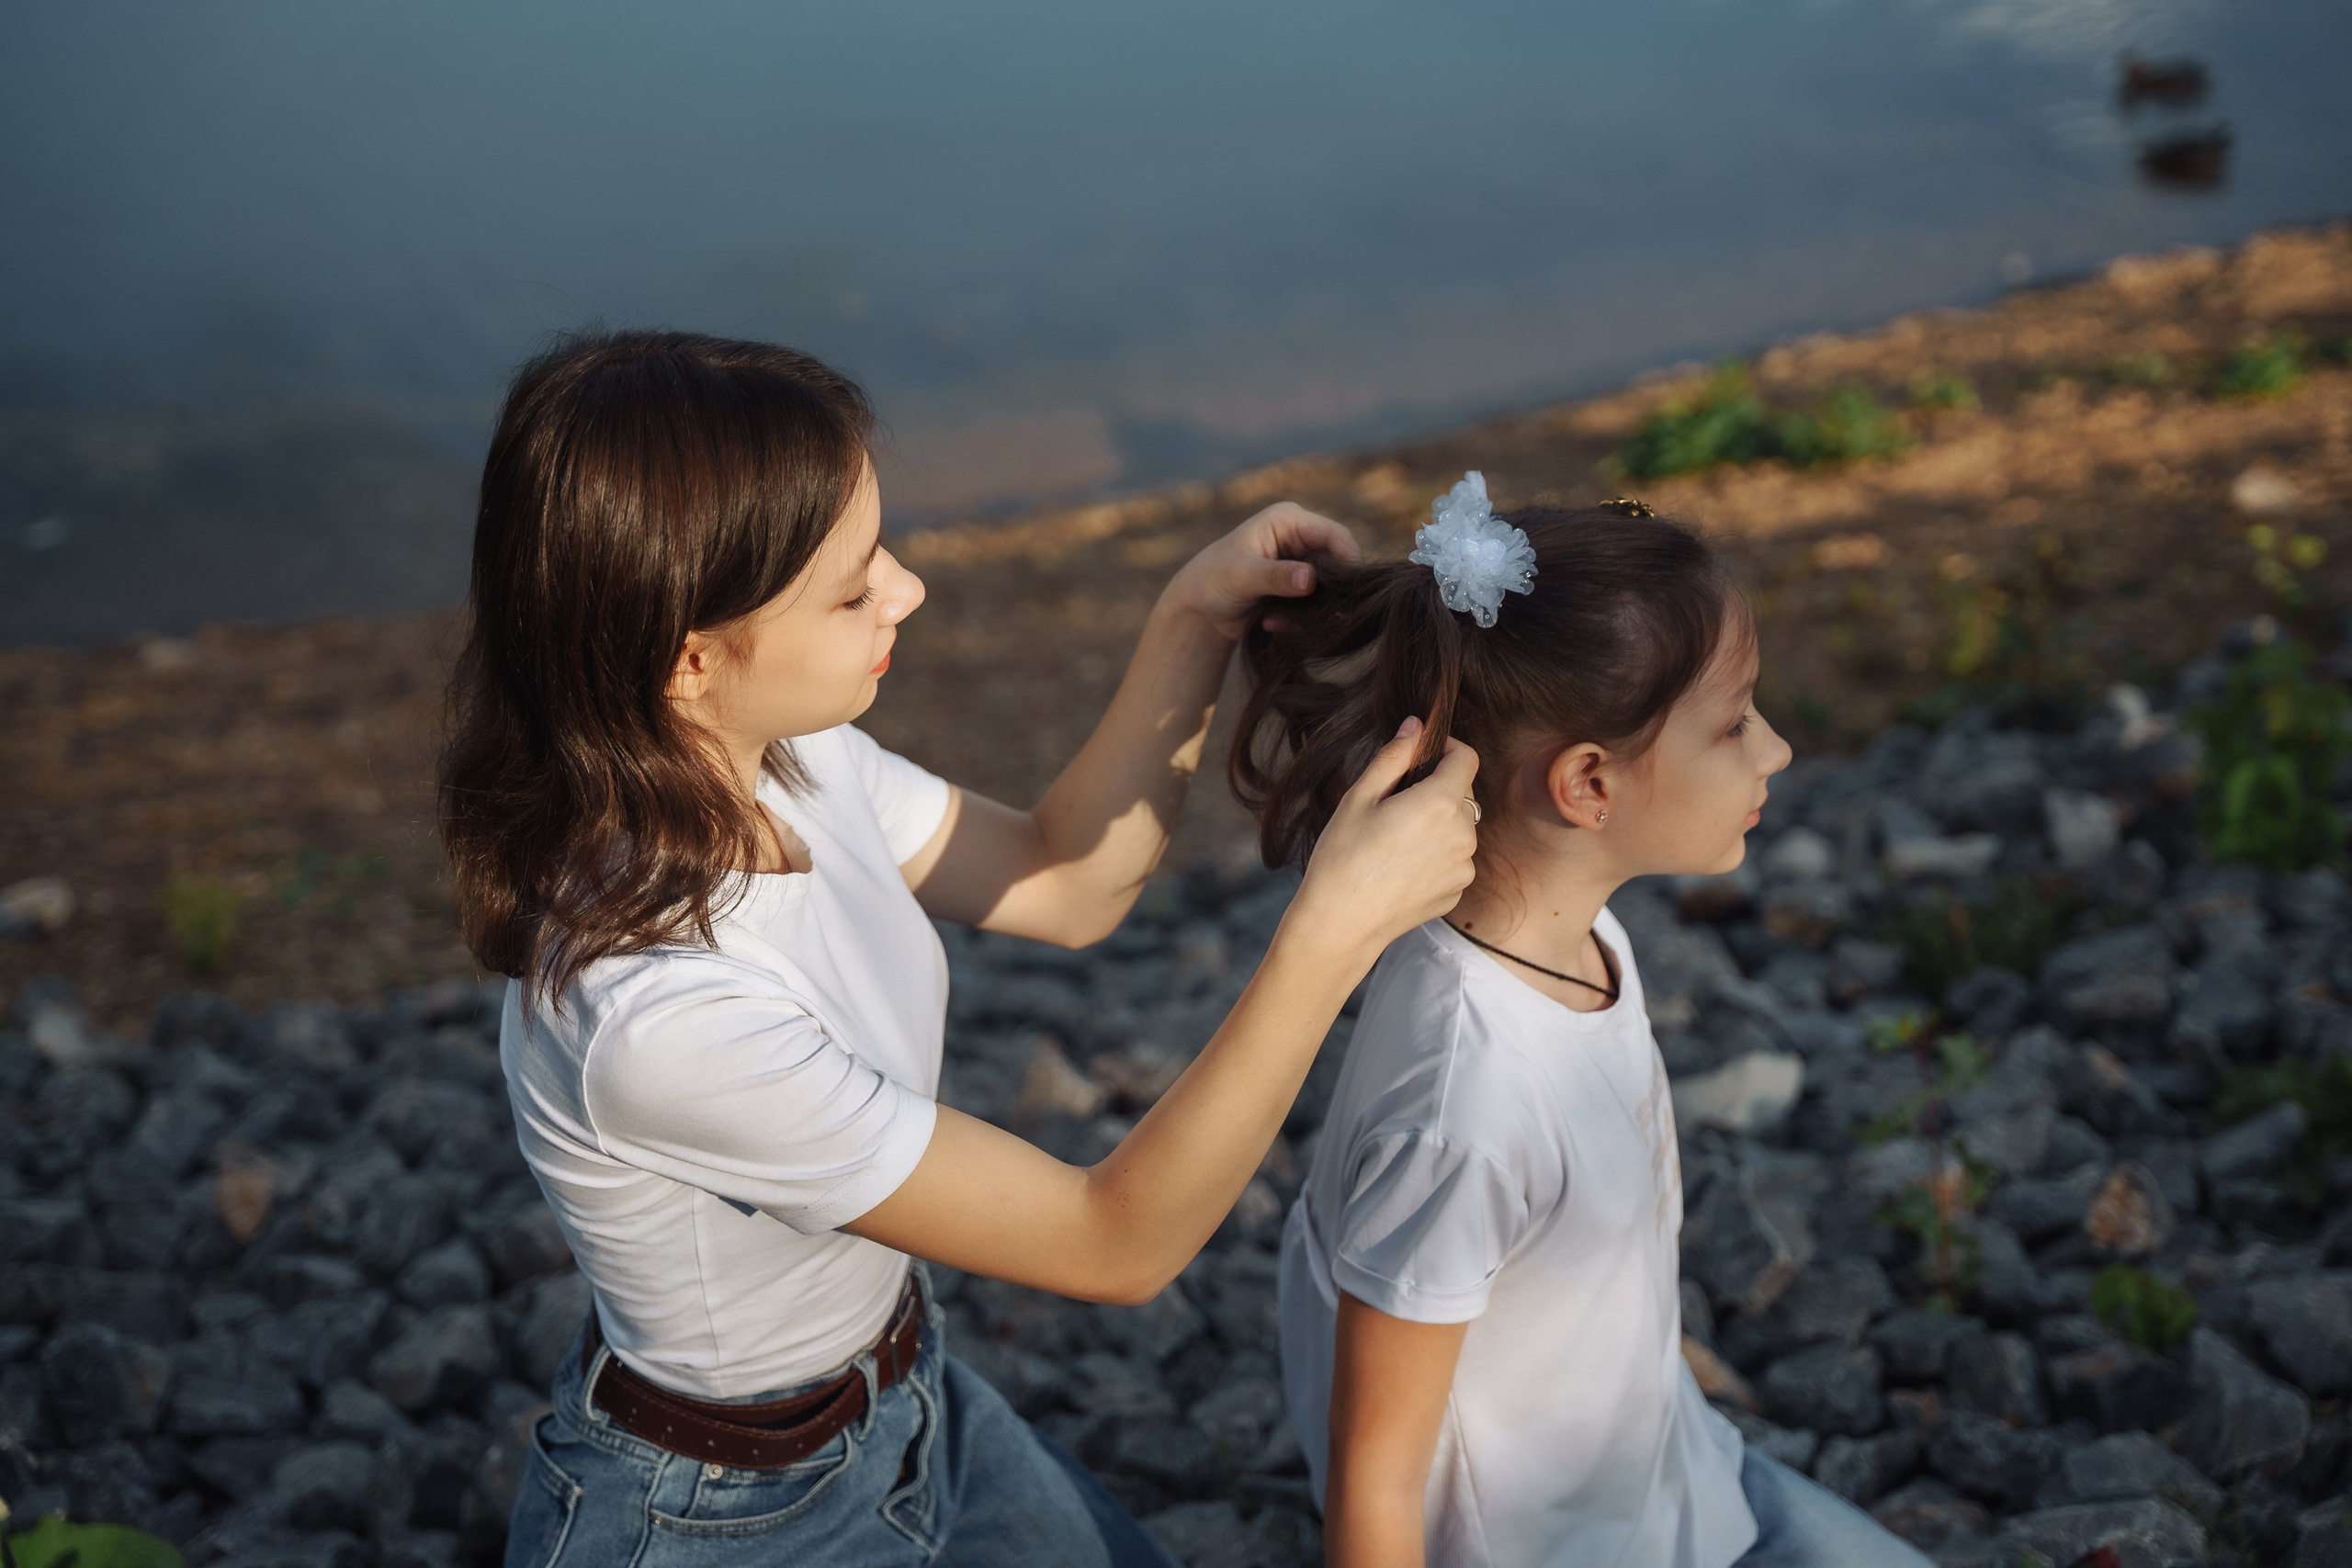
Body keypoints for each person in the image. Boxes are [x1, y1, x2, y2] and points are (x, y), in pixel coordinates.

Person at [438, 332, 1482, 1568]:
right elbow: (1115, 1241)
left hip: (915, 1397)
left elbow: (1065, 878)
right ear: (691, 661)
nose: (909, 589)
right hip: (722, 1518)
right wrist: (1337, 925)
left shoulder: (787, 760)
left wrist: (1193, 617)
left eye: (879, 545)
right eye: (852, 585)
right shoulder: (659, 1014)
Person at [1232, 475, 1935, 1568]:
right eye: (1735, 724)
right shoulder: (1465, 1101)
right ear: (1588, 786)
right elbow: (1375, 1480)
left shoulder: (1576, 939)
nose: (1777, 751)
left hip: (1676, 1482)